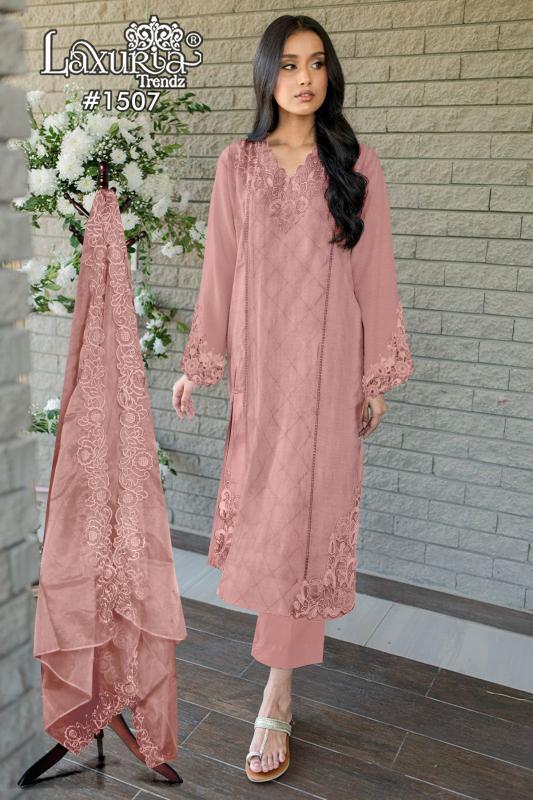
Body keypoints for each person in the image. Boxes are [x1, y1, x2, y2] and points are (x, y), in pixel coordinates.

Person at [172, 14, 414, 783]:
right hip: (262, 376)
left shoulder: (356, 163)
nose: (303, 78)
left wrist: (374, 376)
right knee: (271, 521)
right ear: (266, 75)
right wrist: (199, 364)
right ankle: (276, 683)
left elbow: (374, 272)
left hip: (328, 370)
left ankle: (275, 696)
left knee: (306, 526)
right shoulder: (237, 165)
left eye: (315, 64)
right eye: (288, 64)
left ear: (329, 74)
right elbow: (219, 268)